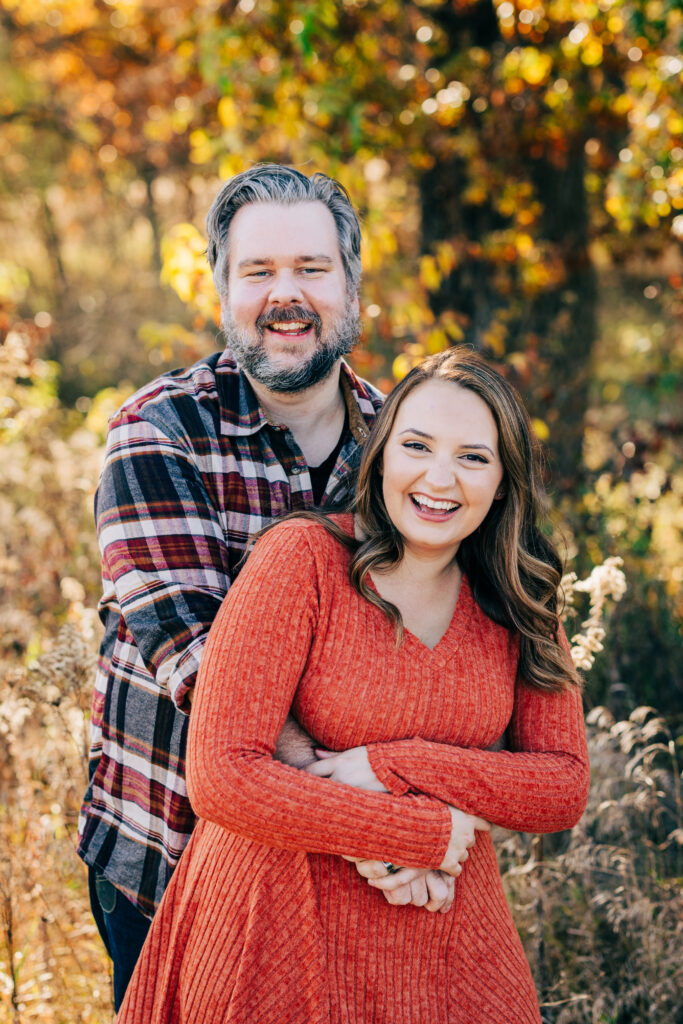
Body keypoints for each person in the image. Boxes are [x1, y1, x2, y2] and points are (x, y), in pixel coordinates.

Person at [117, 347, 590, 1024]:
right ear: (382, 454)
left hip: (445, 942)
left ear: (504, 480)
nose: (438, 478)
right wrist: (415, 829)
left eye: (472, 457)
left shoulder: (519, 601)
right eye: (417, 445)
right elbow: (221, 774)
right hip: (276, 929)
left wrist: (390, 764)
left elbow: (561, 787)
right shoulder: (302, 559)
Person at [77, 163, 395, 1009]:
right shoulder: (156, 436)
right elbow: (213, 674)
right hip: (172, 855)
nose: (284, 295)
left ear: (351, 282)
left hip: (349, 876)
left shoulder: (407, 448)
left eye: (310, 269)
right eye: (258, 272)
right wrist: (378, 821)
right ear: (220, 288)